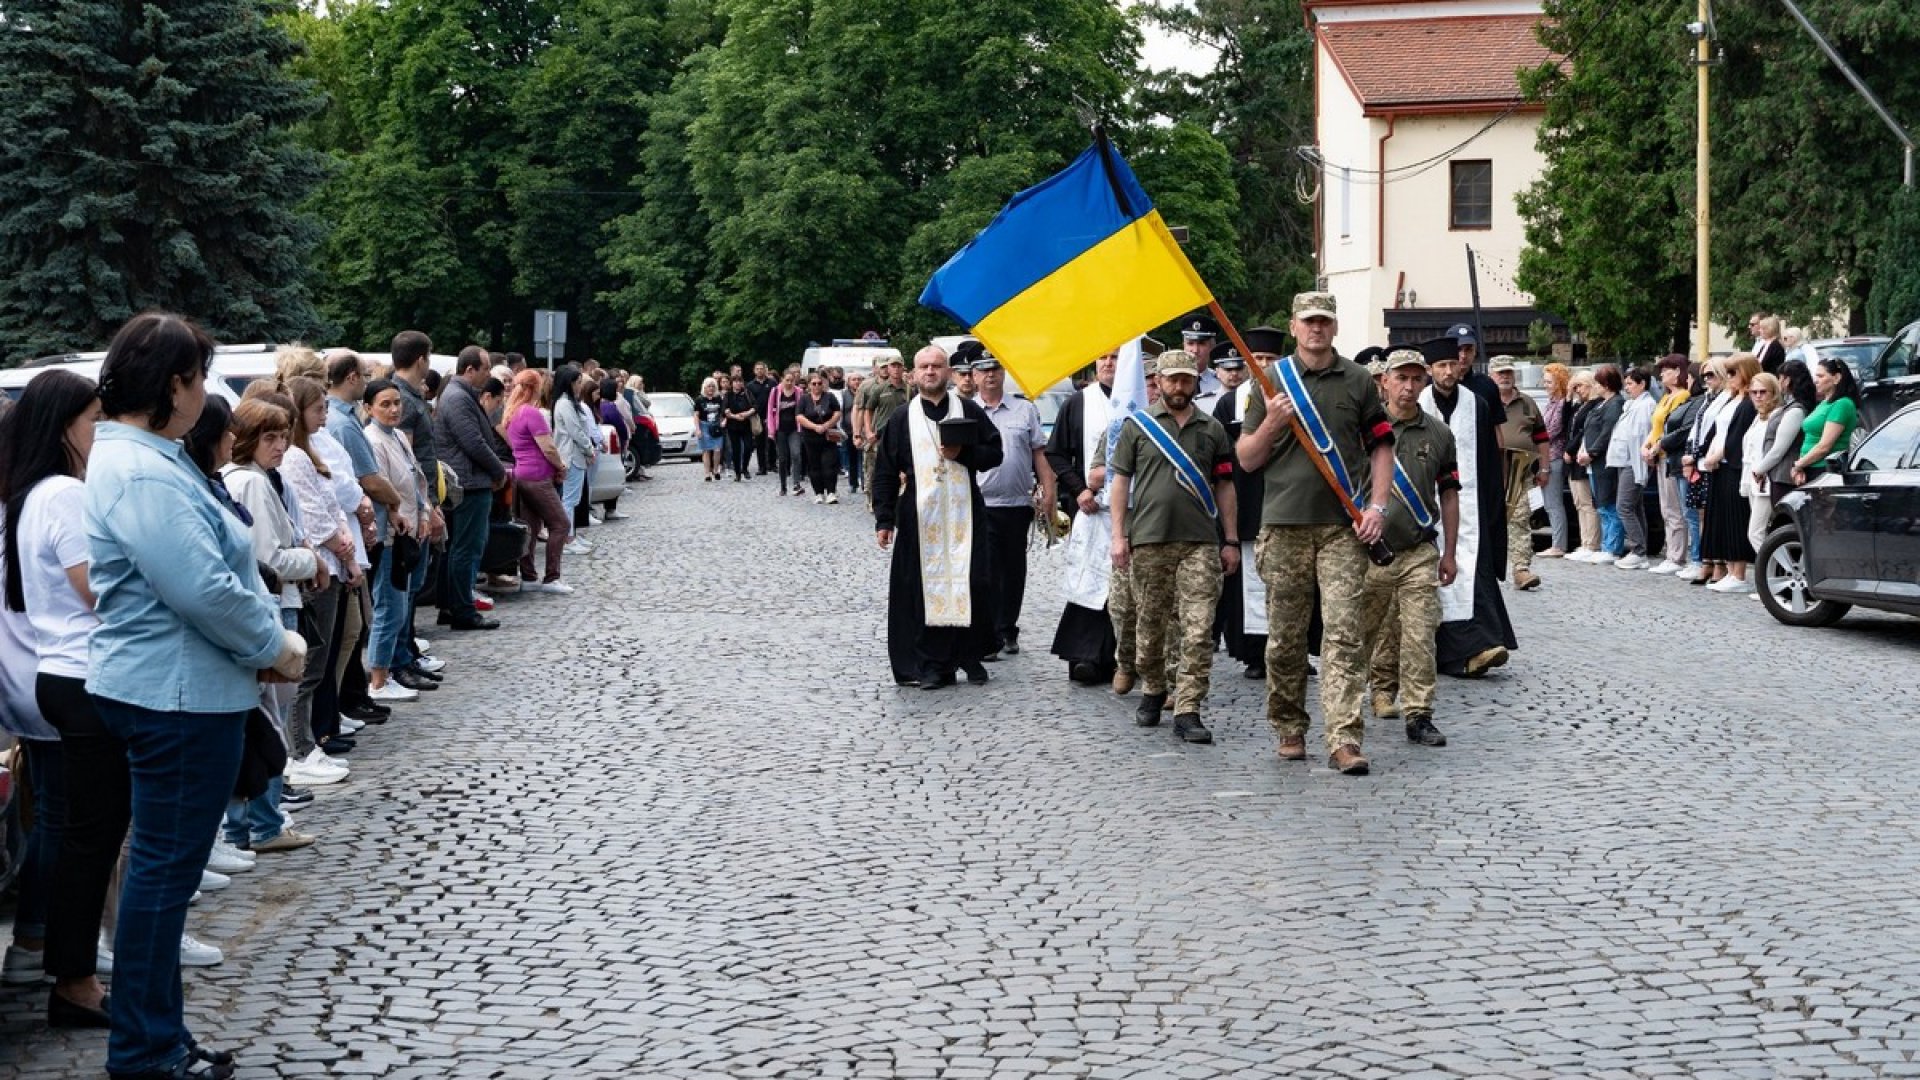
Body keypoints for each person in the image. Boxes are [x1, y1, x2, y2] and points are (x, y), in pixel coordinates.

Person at [86, 312, 305, 1080]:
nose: (205, 393)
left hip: (177, 688)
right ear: (172, 385)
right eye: (200, 378)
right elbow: (202, 588)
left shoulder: (148, 455)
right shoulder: (142, 467)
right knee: (160, 884)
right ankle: (146, 1051)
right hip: (174, 695)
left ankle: (156, 1041)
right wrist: (273, 645)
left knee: (162, 880)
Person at [1236, 292, 1395, 776]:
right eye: (1309, 321)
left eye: (1324, 321)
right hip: (1283, 526)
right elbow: (1246, 457)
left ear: (1335, 326)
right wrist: (1273, 423)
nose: (1317, 329)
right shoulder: (1268, 381)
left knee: (1344, 633)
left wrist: (1379, 507)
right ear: (1294, 325)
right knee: (1284, 638)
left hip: (1341, 529)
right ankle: (1289, 725)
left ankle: (1344, 737)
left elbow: (1382, 445)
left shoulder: (1359, 380)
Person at [0, 369, 115, 1028]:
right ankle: (64, 967)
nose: (100, 431)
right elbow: (96, 590)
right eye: (95, 419)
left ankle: (57, 958)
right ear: (65, 423)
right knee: (83, 836)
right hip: (72, 677)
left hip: (43, 677)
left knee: (70, 828)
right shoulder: (63, 494)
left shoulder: (25, 494)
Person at [1107, 352, 1236, 745]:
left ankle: (1188, 707)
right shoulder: (1138, 427)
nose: (1179, 387)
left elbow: (1226, 486)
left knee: (1198, 629)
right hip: (1149, 539)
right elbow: (1120, 482)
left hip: (1199, 542)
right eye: (1171, 380)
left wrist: (1229, 539)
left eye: (1185, 380)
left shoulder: (1211, 428)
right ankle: (1153, 687)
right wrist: (1118, 535)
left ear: (1195, 381)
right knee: (1150, 624)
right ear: (1159, 381)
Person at [219, 398, 323, 853]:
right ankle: (263, 821)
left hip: (273, 601)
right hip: (273, 605)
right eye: (270, 438)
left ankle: (247, 823)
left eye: (284, 436)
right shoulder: (251, 483)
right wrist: (311, 558)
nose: (280, 446)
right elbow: (270, 558)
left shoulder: (240, 479)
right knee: (269, 724)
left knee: (259, 721)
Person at [872, 345, 1004, 688]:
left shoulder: (970, 410)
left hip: (965, 514)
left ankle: (969, 653)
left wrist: (965, 453)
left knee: (972, 581)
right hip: (919, 515)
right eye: (924, 366)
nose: (931, 372)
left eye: (937, 366)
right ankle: (932, 664)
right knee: (922, 588)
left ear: (948, 372)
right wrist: (884, 519)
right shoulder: (902, 417)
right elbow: (885, 470)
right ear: (914, 375)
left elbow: (995, 453)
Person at [1358, 349, 1460, 748]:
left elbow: (1449, 495)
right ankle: (1349, 705)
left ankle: (1420, 713)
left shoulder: (1438, 433)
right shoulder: (1362, 429)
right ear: (1384, 380)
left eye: (1417, 378)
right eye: (1401, 377)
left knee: (1420, 634)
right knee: (1359, 635)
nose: (1408, 386)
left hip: (1419, 550)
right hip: (1370, 550)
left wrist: (1450, 552)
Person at [1420, 335, 1518, 678]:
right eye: (1441, 366)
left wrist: (1494, 505)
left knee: (1473, 572)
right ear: (1430, 370)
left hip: (1470, 504)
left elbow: (1490, 458)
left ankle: (1479, 645)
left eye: (1453, 364)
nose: (1449, 371)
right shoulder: (1416, 403)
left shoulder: (1476, 404)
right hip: (1424, 507)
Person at [1045, 348, 1125, 686]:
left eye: (1116, 357)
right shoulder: (1078, 403)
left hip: (1135, 513)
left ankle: (1125, 659)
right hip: (1093, 509)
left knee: (1123, 586)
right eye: (1103, 357)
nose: (1108, 363)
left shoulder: (1139, 399)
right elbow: (1055, 452)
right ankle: (1086, 656)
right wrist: (1079, 489)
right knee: (1091, 583)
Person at [1211, 329, 1286, 681]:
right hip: (1245, 499)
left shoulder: (1293, 394)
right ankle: (1254, 653)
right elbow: (1222, 458)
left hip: (1285, 497)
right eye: (1258, 360)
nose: (1265, 366)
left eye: (1271, 360)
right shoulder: (1230, 403)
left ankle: (1292, 652)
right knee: (1248, 586)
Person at [972, 350, 1055, 660]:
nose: (990, 375)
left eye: (995, 368)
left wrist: (1048, 491)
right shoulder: (968, 410)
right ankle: (989, 631)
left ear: (1003, 373)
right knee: (987, 569)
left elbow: (1039, 454)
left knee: (1013, 569)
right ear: (975, 376)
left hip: (1017, 503)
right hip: (981, 503)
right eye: (983, 370)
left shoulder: (1024, 409)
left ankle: (1008, 627)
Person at [363, 378, 433, 698]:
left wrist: (425, 512)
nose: (393, 409)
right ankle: (380, 676)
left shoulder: (399, 438)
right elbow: (380, 486)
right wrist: (398, 514)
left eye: (396, 403)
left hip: (410, 528)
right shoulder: (373, 441)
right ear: (368, 408)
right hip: (391, 534)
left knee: (403, 603)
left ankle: (402, 661)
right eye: (385, 404)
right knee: (389, 607)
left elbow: (416, 476)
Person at [433, 347, 507, 630]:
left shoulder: (458, 395)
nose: (489, 374)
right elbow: (473, 442)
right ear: (470, 370)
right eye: (486, 368)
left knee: (457, 549)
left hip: (467, 480)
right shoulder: (458, 397)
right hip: (470, 483)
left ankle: (451, 606)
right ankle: (462, 610)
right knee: (467, 548)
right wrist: (498, 470)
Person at [499, 370, 573, 593]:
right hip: (538, 477)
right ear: (534, 388)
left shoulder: (511, 413)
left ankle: (529, 576)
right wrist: (560, 466)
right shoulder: (531, 413)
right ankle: (552, 577)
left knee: (530, 527)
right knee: (560, 524)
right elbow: (548, 447)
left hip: (521, 475)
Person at [1699, 354, 1762, 592]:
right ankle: (1729, 567)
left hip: (1734, 465)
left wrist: (1717, 455)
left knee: (1736, 519)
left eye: (1733, 373)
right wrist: (1709, 453)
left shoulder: (1748, 401)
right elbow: (1718, 430)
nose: (1729, 378)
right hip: (1720, 464)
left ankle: (1739, 573)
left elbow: (1738, 436)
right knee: (1723, 519)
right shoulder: (1731, 399)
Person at [1488, 356, 1547, 589]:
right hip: (1490, 470)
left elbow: (1542, 437)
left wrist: (1544, 467)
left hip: (1521, 471)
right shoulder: (1483, 401)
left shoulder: (1527, 403)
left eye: (1508, 373)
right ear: (1491, 375)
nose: (1505, 377)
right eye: (1500, 373)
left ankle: (1521, 568)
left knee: (1520, 518)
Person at [1677, 359, 1737, 584]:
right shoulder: (1707, 399)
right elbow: (1696, 429)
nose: (1707, 380)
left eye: (1711, 375)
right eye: (1704, 376)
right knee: (1700, 514)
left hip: (1711, 460)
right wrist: (1690, 456)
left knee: (1712, 515)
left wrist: (1698, 455)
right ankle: (1707, 560)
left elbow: (1716, 431)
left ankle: (1717, 562)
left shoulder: (1726, 398)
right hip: (1698, 459)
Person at [1641, 355, 1693, 574]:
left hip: (1669, 456)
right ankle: (1672, 551)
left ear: (1678, 372)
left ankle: (1677, 555)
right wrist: (1646, 445)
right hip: (1659, 455)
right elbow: (1656, 427)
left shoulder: (1682, 396)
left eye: (1666, 370)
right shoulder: (1665, 397)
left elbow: (1671, 429)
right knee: (1667, 507)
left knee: (1674, 508)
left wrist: (1655, 447)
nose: (1661, 375)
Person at [1743, 371, 1804, 556]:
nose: (1758, 396)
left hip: (1767, 479)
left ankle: (1779, 568)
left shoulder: (1778, 414)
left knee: (1756, 532)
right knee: (1763, 531)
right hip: (1754, 479)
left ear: (1773, 392)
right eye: (1754, 392)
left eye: (1763, 391)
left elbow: (1776, 450)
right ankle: (1779, 569)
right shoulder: (1757, 417)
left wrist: (1760, 470)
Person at [1607, 368, 1657, 569]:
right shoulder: (1633, 405)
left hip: (1633, 461)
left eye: (1630, 384)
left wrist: (1640, 467)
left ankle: (1638, 549)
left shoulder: (1646, 405)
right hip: (1625, 460)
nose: (1626, 388)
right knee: (1635, 506)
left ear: (1642, 384)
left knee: (1624, 506)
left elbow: (1639, 435)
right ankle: (1640, 549)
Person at [1576, 365, 1626, 562]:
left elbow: (1607, 432)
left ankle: (1612, 547)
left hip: (1604, 461)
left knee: (1608, 504)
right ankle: (1607, 545)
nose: (1595, 386)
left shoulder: (1615, 404)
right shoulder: (1601, 404)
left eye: (1597, 382)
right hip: (1593, 462)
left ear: (1606, 385)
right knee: (1601, 504)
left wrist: (1592, 452)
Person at [1790, 355, 1863, 485]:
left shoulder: (1842, 404)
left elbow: (1824, 446)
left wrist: (1798, 465)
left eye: (1821, 376)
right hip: (1810, 467)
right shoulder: (1825, 403)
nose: (1816, 381)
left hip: (1824, 470)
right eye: (1816, 376)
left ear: (1836, 378)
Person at [548, 365, 597, 555]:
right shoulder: (565, 404)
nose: (579, 386)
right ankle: (567, 539)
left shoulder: (567, 402)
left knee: (572, 499)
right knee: (569, 500)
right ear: (569, 383)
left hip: (575, 455)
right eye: (577, 383)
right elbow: (576, 431)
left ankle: (571, 536)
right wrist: (589, 449)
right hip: (571, 456)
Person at [855, 358, 909, 513]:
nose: (896, 369)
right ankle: (873, 499)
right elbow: (868, 409)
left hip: (903, 435)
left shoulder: (909, 389)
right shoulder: (879, 389)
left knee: (902, 470)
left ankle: (898, 499)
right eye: (893, 366)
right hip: (881, 435)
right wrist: (868, 431)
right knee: (876, 469)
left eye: (899, 366)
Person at [1563, 371, 1602, 559]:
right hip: (1574, 458)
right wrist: (1569, 396)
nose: (1578, 390)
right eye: (1575, 386)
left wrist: (1570, 450)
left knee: (1587, 503)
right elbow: (1567, 424)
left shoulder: (1594, 405)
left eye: (1580, 386)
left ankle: (1592, 543)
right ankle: (1585, 541)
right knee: (1579, 503)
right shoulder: (1581, 405)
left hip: (1580, 456)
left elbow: (1581, 432)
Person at [1539, 363, 1573, 558]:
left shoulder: (1561, 404)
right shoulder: (1551, 403)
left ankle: (1558, 544)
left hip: (1554, 456)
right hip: (1548, 455)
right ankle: (1557, 542)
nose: (1545, 385)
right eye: (1544, 381)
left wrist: (1535, 438)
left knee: (1554, 503)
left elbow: (1552, 430)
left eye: (1549, 381)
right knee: (1549, 504)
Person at [796, 371, 844, 503]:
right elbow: (799, 416)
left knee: (829, 464)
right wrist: (814, 426)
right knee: (814, 465)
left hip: (828, 436)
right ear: (809, 385)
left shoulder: (829, 397)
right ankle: (818, 493)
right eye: (814, 383)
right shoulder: (804, 399)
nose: (817, 386)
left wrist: (827, 424)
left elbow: (837, 412)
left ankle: (831, 492)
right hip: (811, 437)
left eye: (819, 383)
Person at [768, 367, 805, 495]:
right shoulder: (775, 392)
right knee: (782, 458)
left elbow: (802, 410)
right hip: (780, 429)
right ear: (782, 379)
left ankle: (796, 483)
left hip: (794, 428)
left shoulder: (799, 392)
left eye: (792, 380)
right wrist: (771, 431)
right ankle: (783, 486)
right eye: (787, 380)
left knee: (796, 454)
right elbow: (770, 411)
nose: (789, 383)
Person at [722, 375, 756, 481]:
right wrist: (735, 416)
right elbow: (725, 410)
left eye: (740, 381)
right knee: (736, 450)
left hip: (746, 424)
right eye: (735, 382)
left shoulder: (747, 393)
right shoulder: (728, 395)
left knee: (748, 447)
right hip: (733, 426)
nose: (738, 383)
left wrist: (746, 414)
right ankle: (737, 473)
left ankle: (744, 468)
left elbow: (755, 406)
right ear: (732, 383)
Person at [747, 362, 777, 474]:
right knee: (759, 443)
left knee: (772, 441)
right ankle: (762, 467)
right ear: (754, 371)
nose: (760, 371)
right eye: (757, 369)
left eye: (761, 369)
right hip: (757, 417)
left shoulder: (772, 383)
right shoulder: (750, 385)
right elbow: (749, 402)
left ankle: (773, 464)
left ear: (765, 370)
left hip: (771, 416)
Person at [694, 377, 726, 481]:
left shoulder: (719, 399)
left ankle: (716, 470)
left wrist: (723, 421)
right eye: (709, 386)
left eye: (713, 386)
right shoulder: (699, 400)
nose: (711, 388)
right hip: (704, 426)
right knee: (706, 450)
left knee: (717, 449)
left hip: (716, 426)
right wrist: (698, 429)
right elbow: (696, 416)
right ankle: (707, 473)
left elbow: (723, 413)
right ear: (705, 387)